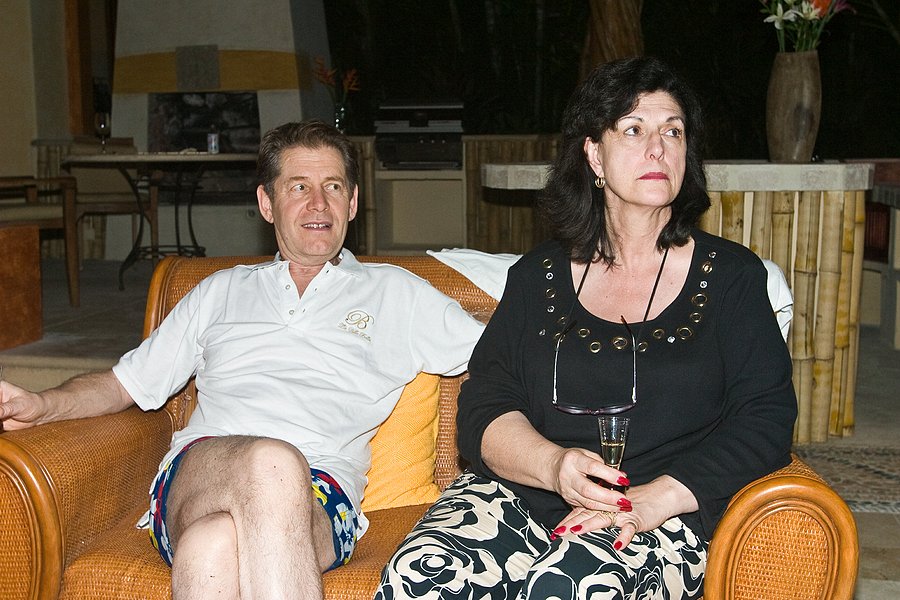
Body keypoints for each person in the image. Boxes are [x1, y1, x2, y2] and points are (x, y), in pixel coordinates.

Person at [0, 121, 484, 599]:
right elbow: (122, 384)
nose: (319, 203)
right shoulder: (220, 291)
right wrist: (44, 404)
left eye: (333, 186)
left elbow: (501, 354)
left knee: (211, 546)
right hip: (202, 470)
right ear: (267, 204)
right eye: (299, 187)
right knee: (272, 463)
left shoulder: (398, 293)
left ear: (352, 203)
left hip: (325, 496)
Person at [375, 57, 797, 599]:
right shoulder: (537, 276)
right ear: (594, 155)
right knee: (422, 576)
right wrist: (554, 467)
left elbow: (765, 417)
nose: (658, 148)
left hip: (658, 512)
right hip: (523, 495)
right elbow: (485, 406)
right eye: (634, 129)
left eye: (673, 131)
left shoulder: (732, 278)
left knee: (570, 586)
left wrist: (656, 499)